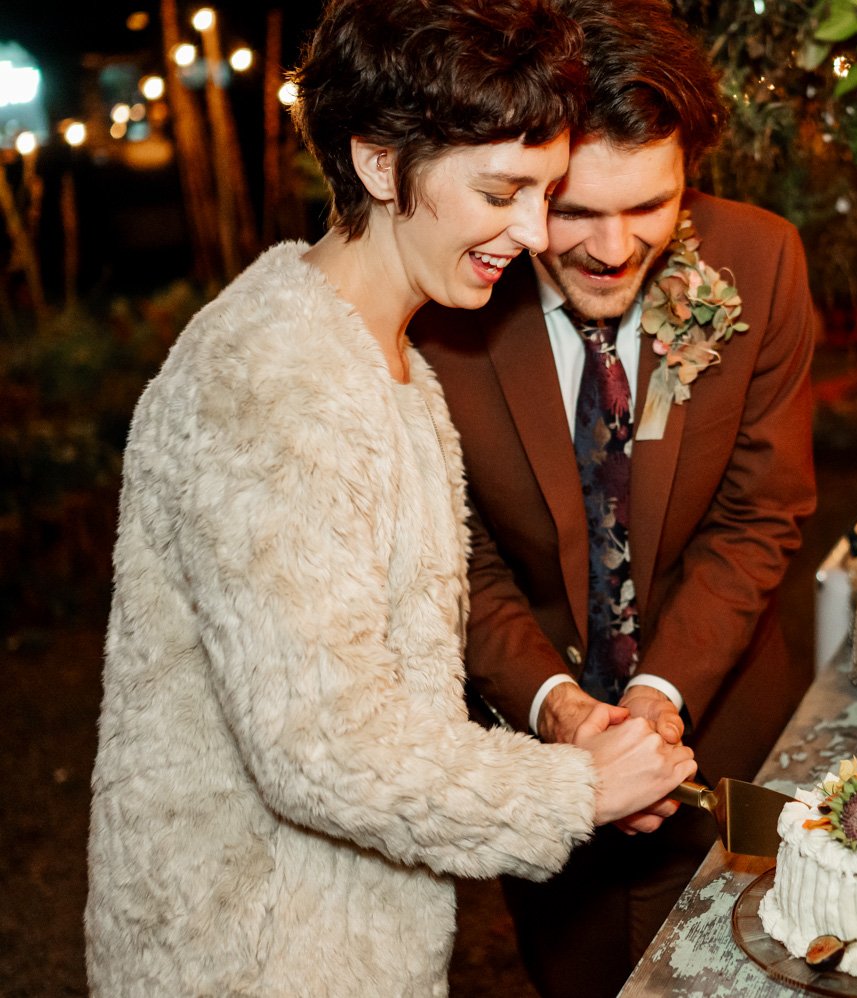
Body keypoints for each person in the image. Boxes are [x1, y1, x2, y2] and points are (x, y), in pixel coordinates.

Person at [84, 1, 696, 994]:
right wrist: (575, 788)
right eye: (504, 190)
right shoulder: (274, 377)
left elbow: (385, 690)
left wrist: (576, 746)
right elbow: (322, 746)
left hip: (353, 935)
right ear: (378, 164)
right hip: (251, 953)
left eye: (544, 193)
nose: (536, 231)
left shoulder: (385, 353)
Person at [410, 0, 818, 992]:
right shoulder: (447, 308)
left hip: (725, 729)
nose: (612, 247)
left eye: (651, 207)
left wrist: (654, 701)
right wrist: (562, 713)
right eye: (576, 210)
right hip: (539, 760)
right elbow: (455, 554)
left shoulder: (760, 263)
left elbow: (759, 514)